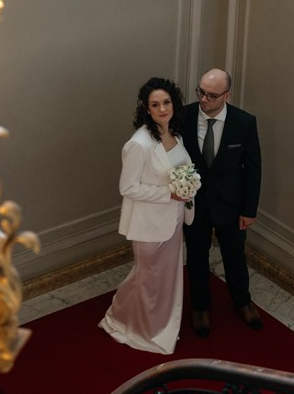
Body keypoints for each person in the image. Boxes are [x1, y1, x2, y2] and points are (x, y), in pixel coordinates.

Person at [99, 77, 194, 354]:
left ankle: (163, 322)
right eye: (155, 104)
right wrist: (170, 194)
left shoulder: (174, 133)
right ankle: (136, 324)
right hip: (150, 224)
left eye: (166, 102)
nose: (162, 108)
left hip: (174, 220)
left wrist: (187, 189)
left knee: (166, 277)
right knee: (147, 277)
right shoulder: (138, 144)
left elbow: (181, 170)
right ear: (146, 108)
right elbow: (127, 187)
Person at [182, 68, 262, 336]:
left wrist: (249, 210)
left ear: (227, 95)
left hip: (231, 205)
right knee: (196, 256)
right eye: (201, 92)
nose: (204, 99)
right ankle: (201, 307)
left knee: (235, 257)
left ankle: (243, 302)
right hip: (195, 204)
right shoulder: (185, 116)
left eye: (212, 95)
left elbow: (253, 169)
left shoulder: (244, 122)